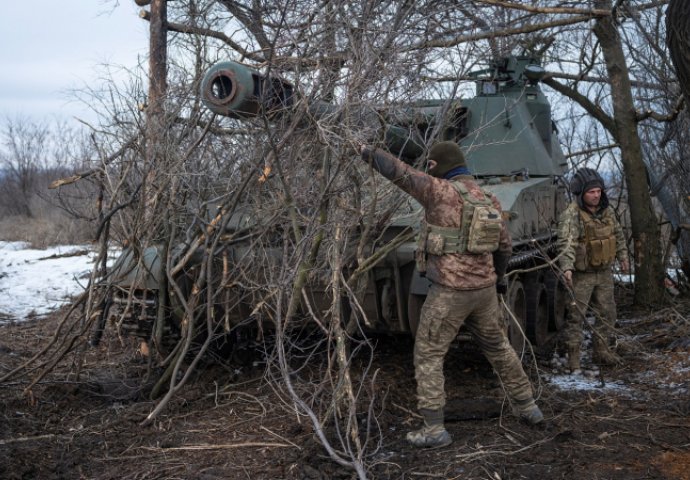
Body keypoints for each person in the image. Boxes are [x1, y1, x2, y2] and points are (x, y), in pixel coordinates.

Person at [360, 140, 543, 449]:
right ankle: (527, 406)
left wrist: (366, 150)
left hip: (449, 293)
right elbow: (505, 248)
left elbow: (399, 172)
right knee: (499, 349)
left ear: (436, 166)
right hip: (483, 292)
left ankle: (434, 429)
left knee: (429, 354)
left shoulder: (439, 192)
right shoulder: (488, 198)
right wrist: (498, 280)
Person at [556, 168, 629, 374]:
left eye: (598, 191)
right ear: (581, 193)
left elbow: (618, 234)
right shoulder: (572, 214)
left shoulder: (607, 211)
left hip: (604, 272)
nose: (596, 195)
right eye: (591, 192)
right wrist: (567, 268)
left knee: (607, 312)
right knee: (575, 316)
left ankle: (601, 350)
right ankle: (574, 359)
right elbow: (566, 243)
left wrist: (623, 256)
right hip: (582, 275)